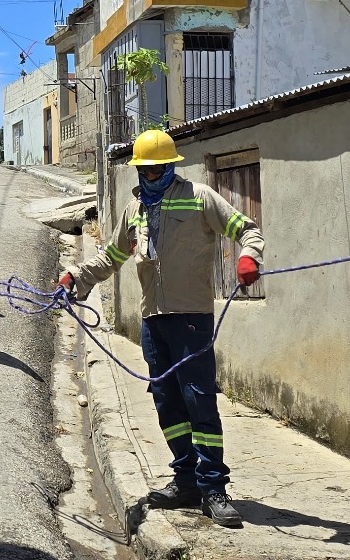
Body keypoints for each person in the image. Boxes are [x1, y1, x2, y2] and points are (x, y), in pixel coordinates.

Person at [60, 130, 264, 529]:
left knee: (198, 399)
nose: (149, 175)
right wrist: (75, 278)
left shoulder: (201, 196)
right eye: (144, 169)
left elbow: (247, 229)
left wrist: (248, 258)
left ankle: (213, 487)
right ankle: (185, 480)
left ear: (170, 165)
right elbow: (112, 256)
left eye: (156, 168)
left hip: (192, 318)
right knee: (167, 402)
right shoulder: (135, 209)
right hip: (153, 321)